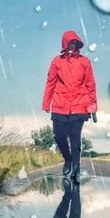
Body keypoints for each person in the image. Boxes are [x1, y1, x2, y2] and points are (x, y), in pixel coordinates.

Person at [42, 30, 98, 184]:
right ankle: (67, 159)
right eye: (70, 43)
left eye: (75, 43)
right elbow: (50, 82)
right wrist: (46, 103)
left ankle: (76, 166)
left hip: (80, 105)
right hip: (60, 105)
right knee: (58, 136)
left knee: (75, 138)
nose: (73, 45)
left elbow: (90, 84)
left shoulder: (85, 62)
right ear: (65, 44)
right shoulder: (56, 62)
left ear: (78, 44)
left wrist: (93, 105)